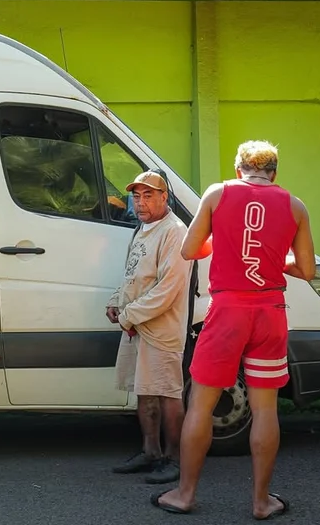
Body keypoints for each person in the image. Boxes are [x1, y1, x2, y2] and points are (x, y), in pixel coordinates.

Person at [151, 140, 315, 519]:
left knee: (201, 405)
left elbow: (190, 250)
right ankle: (261, 502)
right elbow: (307, 269)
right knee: (264, 409)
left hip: (227, 310)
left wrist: (226, 242)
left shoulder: (218, 193)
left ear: (240, 168)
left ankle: (185, 494)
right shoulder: (295, 205)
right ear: (274, 173)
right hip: (270, 310)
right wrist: (275, 257)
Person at [106, 171, 191, 485]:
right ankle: (150, 451)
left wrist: (128, 315)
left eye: (148, 196)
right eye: (136, 196)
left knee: (168, 394)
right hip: (138, 325)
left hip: (161, 328)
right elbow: (133, 276)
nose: (140, 202)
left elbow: (168, 290)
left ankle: (176, 459)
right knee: (144, 392)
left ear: (164, 197)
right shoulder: (143, 228)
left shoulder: (175, 232)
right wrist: (116, 300)